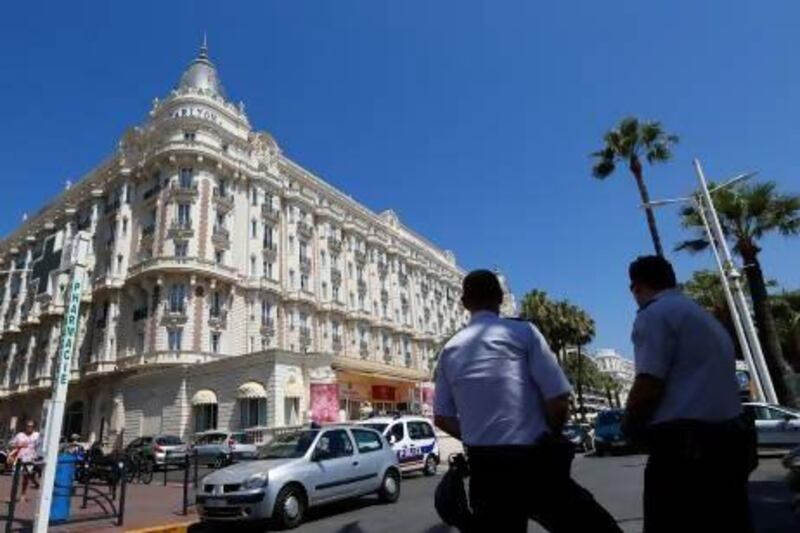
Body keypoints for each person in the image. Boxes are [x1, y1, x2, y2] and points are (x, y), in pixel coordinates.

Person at [434, 269, 621, 532]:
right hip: (534, 462)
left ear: (464, 303)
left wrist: (478, 435)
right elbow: (558, 399)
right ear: (500, 298)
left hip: (486, 471)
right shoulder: (524, 333)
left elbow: (441, 417)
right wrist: (552, 433)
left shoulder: (449, 350)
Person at [623, 255, 755, 533]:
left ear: (637, 287)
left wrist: (630, 422)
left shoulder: (654, 315)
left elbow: (649, 381)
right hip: (729, 442)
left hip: (685, 450)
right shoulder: (702, 317)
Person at [9, 420, 41, 501]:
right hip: (19, 458)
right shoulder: (20, 435)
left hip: (30, 458)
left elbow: (40, 446)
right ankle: (12, 495)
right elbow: (11, 444)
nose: (29, 428)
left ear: (34, 427)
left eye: (31, 426)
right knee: (15, 477)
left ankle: (23, 495)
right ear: (25, 426)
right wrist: (19, 445)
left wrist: (37, 455)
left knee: (26, 477)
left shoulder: (36, 435)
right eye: (28, 426)